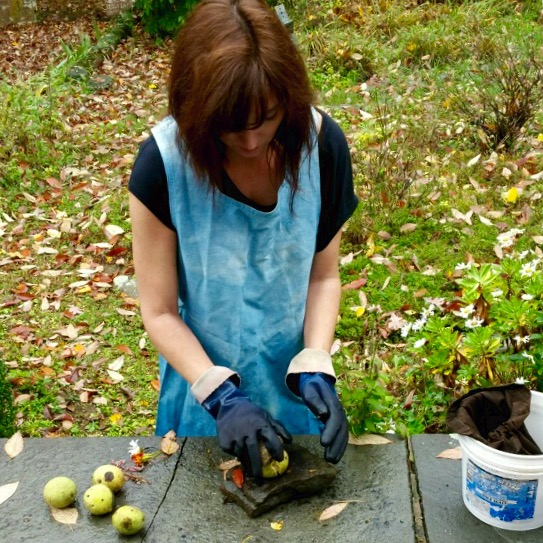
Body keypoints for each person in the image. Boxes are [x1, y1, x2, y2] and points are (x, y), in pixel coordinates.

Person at [128, 0, 358, 478]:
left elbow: (323, 277)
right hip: (201, 382)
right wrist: (220, 394)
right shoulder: (163, 164)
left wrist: (316, 359)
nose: (252, 142)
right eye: (232, 127)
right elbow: (160, 310)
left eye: (267, 119)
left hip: (290, 383)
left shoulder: (322, 147)